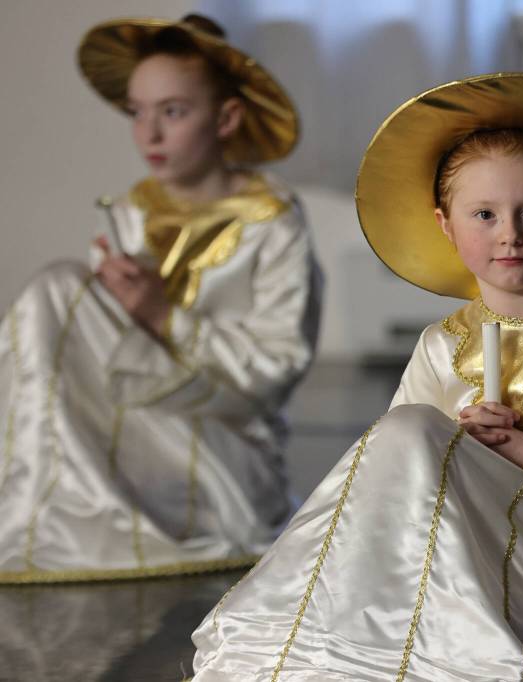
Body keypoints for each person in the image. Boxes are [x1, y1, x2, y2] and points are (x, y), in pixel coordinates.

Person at [191, 73, 523, 681]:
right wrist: (456, 446)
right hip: (459, 557)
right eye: (484, 213)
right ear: (445, 223)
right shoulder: (442, 344)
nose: (510, 233)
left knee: (410, 431)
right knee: (403, 432)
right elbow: (390, 483)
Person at [0, 15, 322, 583]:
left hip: (222, 447)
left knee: (58, 287)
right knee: (59, 286)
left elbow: (276, 368)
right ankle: (38, 508)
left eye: (172, 112)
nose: (148, 134)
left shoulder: (272, 223)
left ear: (225, 118)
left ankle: (53, 516)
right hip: (136, 424)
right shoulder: (132, 208)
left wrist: (161, 316)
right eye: (136, 112)